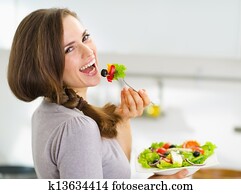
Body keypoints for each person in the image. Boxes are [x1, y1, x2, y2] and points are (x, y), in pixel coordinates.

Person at [7, 8, 188, 179]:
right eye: (69, 49)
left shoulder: (46, 111)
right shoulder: (78, 127)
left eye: (85, 37)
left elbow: (115, 180)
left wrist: (123, 119)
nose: (88, 51)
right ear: (45, 66)